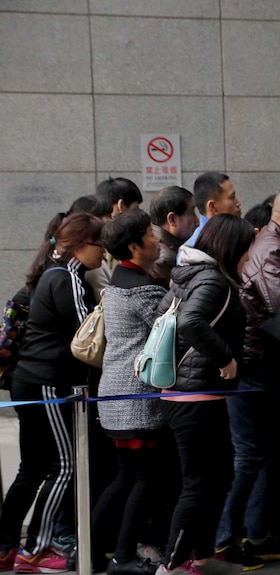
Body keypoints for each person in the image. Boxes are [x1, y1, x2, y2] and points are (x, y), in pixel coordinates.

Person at [215, 185, 280, 567]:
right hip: (257, 369)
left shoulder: (275, 246)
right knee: (249, 457)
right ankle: (229, 538)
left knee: (261, 456)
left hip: (265, 369)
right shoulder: (272, 249)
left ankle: (255, 532)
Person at [0, 213, 105, 574]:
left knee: (32, 469)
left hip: (29, 381)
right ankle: (37, 548)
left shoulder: (50, 275)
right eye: (99, 243)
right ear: (79, 245)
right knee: (64, 465)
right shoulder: (69, 279)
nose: (103, 252)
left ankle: (5, 546)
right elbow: (90, 335)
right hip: (48, 383)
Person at [155, 214, 255, 575]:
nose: (249, 256)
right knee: (199, 484)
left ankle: (199, 556)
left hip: (188, 394)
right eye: (247, 249)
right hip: (195, 398)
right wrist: (225, 358)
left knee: (218, 478)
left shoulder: (188, 274)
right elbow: (190, 322)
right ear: (233, 248)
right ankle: (170, 565)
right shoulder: (213, 280)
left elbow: (162, 314)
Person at [90, 210, 167, 575]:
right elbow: (170, 331)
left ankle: (90, 550)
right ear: (134, 246)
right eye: (152, 235)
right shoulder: (144, 290)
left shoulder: (119, 280)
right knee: (143, 480)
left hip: (115, 393)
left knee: (124, 478)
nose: (158, 239)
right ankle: (122, 557)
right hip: (136, 397)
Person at [149, 186, 199, 285]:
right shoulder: (162, 259)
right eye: (192, 212)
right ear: (172, 219)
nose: (197, 221)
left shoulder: (165, 246)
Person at [184, 172, 242, 248]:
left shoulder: (235, 236)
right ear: (212, 207)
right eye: (232, 197)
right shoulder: (194, 250)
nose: (238, 203)